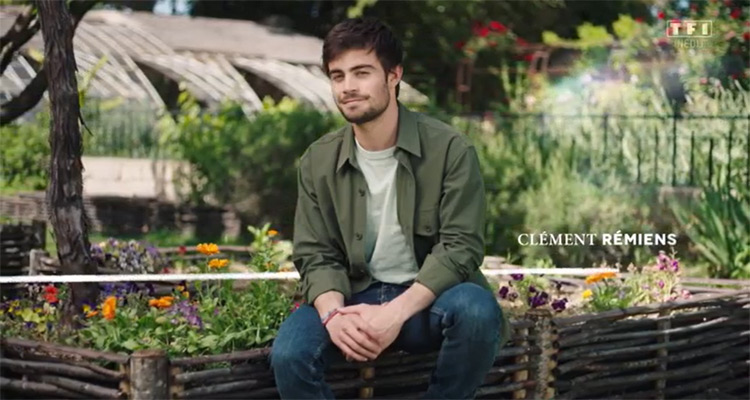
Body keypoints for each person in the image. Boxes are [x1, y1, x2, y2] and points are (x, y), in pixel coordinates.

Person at [270, 17, 510, 400]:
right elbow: (315, 255)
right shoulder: (317, 160)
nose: (348, 87)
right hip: (352, 300)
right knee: (289, 355)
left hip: (426, 303)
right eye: (338, 76)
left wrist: (393, 315)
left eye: (362, 73)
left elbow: (460, 247)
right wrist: (333, 316)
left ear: (394, 75)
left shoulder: (449, 150)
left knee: (478, 311)